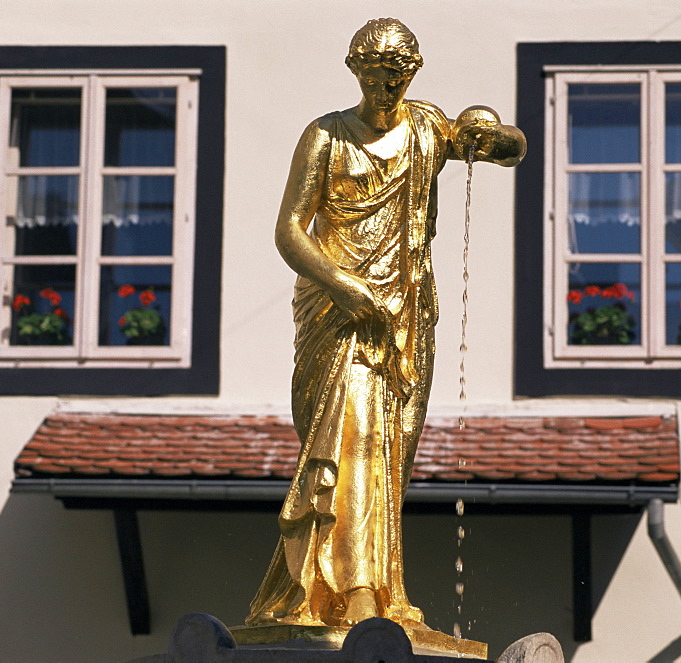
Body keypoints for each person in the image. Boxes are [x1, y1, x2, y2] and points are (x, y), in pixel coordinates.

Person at [246, 17, 525, 630]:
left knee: (390, 450)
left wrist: (492, 136)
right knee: (350, 438)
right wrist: (344, 287)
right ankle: (349, 591)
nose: (384, 87)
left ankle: (378, 588)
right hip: (338, 313)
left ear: (413, 72)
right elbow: (290, 229)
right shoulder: (325, 135)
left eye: (396, 75)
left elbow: (505, 148)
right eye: (373, 75)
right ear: (354, 71)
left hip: (406, 314)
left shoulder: (426, 127)